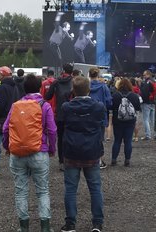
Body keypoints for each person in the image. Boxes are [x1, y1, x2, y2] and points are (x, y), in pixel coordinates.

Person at [3, 74, 57, 232]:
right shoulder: (44, 105)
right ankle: (45, 227)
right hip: (39, 151)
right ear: (40, 87)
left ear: (24, 88)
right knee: (42, 190)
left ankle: (24, 227)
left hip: (17, 153)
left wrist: (8, 147)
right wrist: (52, 148)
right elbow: (52, 130)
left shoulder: (16, 105)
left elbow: (6, 128)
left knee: (21, 190)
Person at [60, 76, 105, 232]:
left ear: (73, 90)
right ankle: (97, 223)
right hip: (92, 151)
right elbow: (101, 124)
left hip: (72, 151)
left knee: (71, 189)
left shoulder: (66, 107)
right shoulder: (98, 107)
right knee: (95, 188)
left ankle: (70, 223)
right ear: (89, 89)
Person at [0, 66, 21, 179]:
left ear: (2, 75)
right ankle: (20, 169)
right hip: (13, 118)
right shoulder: (15, 87)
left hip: (1, 119)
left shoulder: (2, 88)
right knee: (14, 145)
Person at [44, 63, 74, 171]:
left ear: (63, 70)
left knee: (60, 138)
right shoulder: (75, 81)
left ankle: (62, 161)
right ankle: (70, 159)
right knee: (71, 137)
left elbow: (48, 96)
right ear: (72, 71)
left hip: (60, 114)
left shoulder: (56, 82)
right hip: (72, 114)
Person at [110, 78, 141, 166]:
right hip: (130, 122)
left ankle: (114, 160)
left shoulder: (115, 95)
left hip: (117, 121)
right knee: (128, 141)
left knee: (117, 141)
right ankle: (127, 160)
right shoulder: (134, 96)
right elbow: (138, 108)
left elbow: (111, 107)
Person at [88, 67, 112, 169]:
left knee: (88, 137)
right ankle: (99, 160)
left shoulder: (86, 86)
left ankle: (87, 159)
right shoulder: (104, 87)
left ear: (89, 75)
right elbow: (109, 102)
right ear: (98, 75)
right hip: (100, 116)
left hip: (87, 115)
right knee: (99, 139)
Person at [139, 70, 156, 140]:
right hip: (154, 102)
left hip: (147, 102)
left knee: (146, 119)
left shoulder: (146, 82)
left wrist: (142, 100)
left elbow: (144, 93)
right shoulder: (154, 81)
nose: (143, 76)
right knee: (153, 119)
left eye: (144, 75)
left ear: (148, 75)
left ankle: (148, 135)